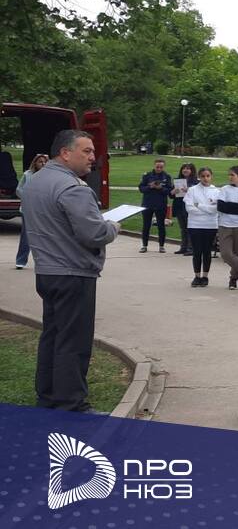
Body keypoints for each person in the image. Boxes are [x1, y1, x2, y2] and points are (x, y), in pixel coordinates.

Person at [22, 130, 120, 412]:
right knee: (73, 342)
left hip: (47, 271)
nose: (93, 157)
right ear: (65, 153)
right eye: (86, 151)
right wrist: (112, 227)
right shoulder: (73, 188)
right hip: (73, 273)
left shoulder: (35, 182)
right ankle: (71, 405)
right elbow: (94, 233)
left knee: (52, 337)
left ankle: (48, 396)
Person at [183, 168, 220, 287]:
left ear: (211, 176)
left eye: (208, 176)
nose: (205, 178)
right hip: (195, 225)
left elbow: (215, 210)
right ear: (199, 177)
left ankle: (205, 276)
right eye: (203, 176)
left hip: (210, 225)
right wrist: (206, 209)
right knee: (197, 251)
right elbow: (189, 208)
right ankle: (197, 276)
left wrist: (199, 205)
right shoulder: (192, 190)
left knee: (207, 251)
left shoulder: (216, 191)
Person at [14, 153, 48, 269]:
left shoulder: (49, 176)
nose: (43, 164)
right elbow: (19, 189)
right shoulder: (27, 175)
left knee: (44, 235)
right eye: (40, 162)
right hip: (28, 209)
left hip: (43, 209)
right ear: (35, 163)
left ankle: (44, 261)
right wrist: (28, 197)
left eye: (45, 162)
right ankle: (20, 261)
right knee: (26, 236)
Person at [138, 158, 172, 254]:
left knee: (161, 226)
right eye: (157, 167)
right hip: (147, 204)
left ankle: (161, 246)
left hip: (161, 204)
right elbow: (141, 188)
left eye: (161, 167)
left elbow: (169, 191)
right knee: (146, 225)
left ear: (164, 167)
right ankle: (144, 245)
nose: (159, 169)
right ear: (154, 166)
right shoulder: (147, 175)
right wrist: (150, 186)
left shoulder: (167, 176)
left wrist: (160, 188)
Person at [172, 163, 198, 255]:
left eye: (188, 168)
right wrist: (173, 192)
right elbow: (171, 195)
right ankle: (183, 247)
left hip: (189, 207)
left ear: (192, 170)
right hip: (179, 206)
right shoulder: (178, 181)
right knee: (183, 228)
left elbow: (198, 195)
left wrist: (189, 190)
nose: (185, 170)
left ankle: (191, 248)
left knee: (190, 227)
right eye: (184, 168)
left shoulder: (196, 182)